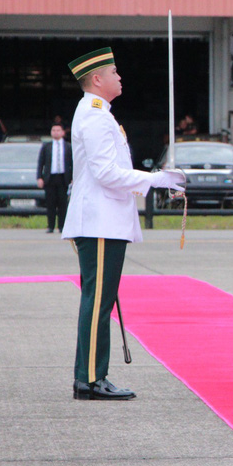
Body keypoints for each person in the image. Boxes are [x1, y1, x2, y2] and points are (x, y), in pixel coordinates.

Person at [62, 47, 185, 401]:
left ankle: (91, 375)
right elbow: (105, 173)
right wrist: (157, 179)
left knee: (97, 301)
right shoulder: (95, 115)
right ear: (97, 79)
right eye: (114, 72)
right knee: (98, 301)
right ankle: (89, 379)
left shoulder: (98, 113)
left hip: (103, 221)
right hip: (99, 222)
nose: (120, 77)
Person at [37, 124, 73, 233]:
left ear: (63, 132)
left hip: (63, 178)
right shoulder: (46, 146)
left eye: (58, 130)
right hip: (50, 178)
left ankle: (62, 226)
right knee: (50, 203)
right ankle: (50, 226)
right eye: (54, 130)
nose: (56, 132)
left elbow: (73, 163)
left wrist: (73, 177)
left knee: (63, 204)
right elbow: (41, 163)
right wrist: (39, 177)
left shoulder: (68, 146)